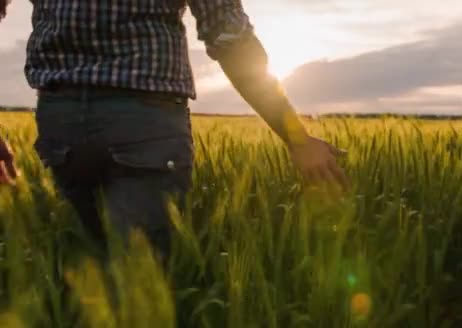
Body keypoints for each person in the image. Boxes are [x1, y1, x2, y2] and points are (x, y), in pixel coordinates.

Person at [0, 1, 348, 260]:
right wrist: (296, 137)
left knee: (87, 275)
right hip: (146, 123)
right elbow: (229, 36)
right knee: (139, 286)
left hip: (61, 122)